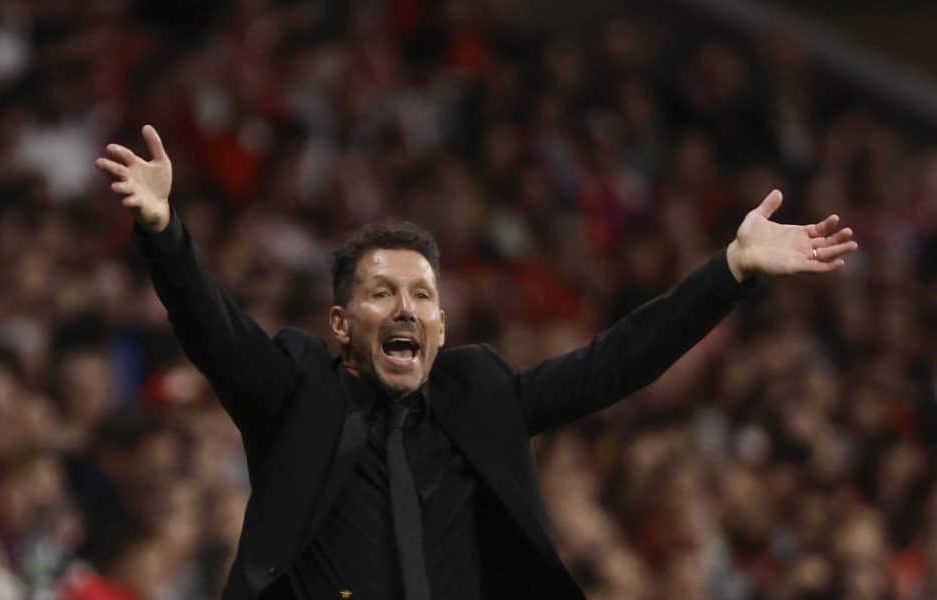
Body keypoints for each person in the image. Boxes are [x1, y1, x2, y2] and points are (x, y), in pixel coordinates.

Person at [95, 125, 858, 600]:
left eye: (422, 296)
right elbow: (216, 331)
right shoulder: (297, 393)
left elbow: (618, 361)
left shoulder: (480, 391)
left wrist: (730, 272)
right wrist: (164, 232)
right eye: (381, 293)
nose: (405, 309)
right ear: (339, 323)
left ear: (441, 322)